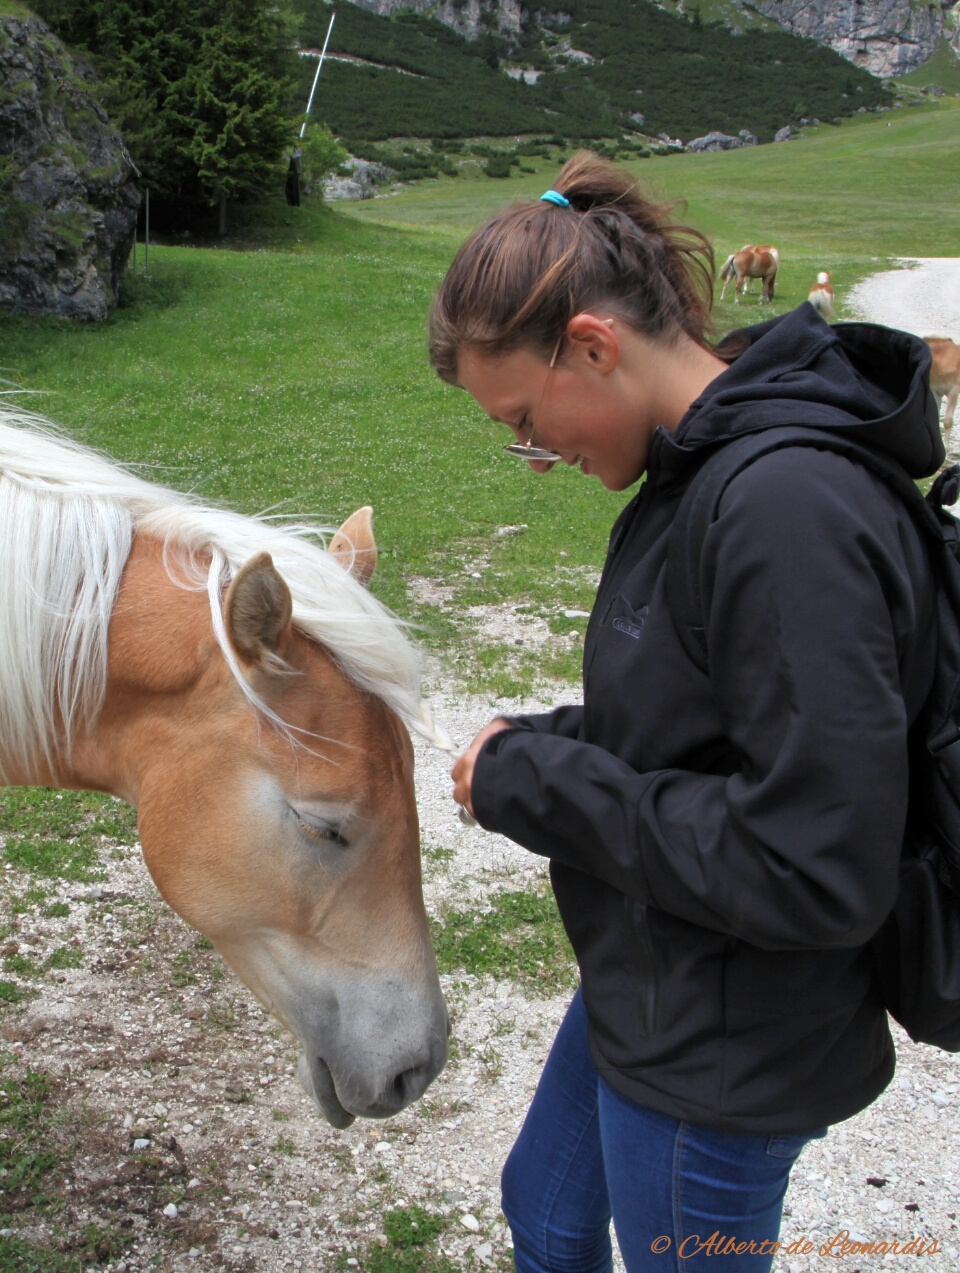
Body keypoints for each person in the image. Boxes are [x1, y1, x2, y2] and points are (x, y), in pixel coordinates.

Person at [426, 153, 943, 1271]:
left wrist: (541, 785)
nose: (533, 454)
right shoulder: (695, 473)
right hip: (661, 976)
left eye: (523, 418)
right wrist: (537, 746)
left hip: (729, 1039)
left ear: (595, 345)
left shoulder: (783, 507)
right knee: (550, 1212)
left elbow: (815, 862)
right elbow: (700, 722)